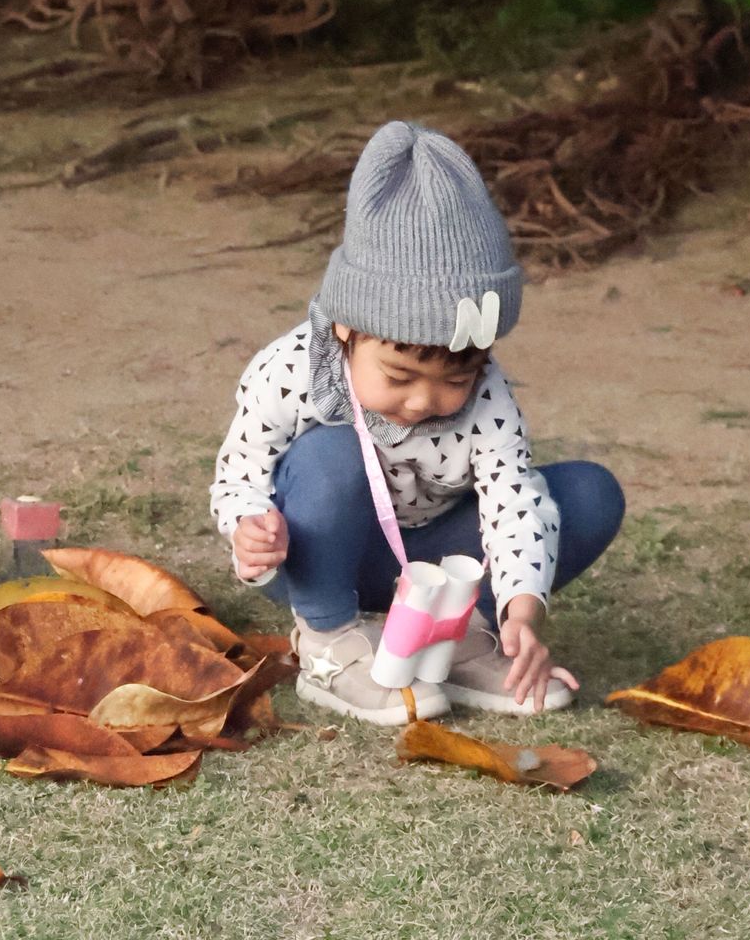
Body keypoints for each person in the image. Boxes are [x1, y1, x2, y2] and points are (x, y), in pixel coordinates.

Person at [210, 121, 624, 725]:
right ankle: (331, 645)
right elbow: (238, 473)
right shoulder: (291, 368)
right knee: (334, 454)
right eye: (400, 377)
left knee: (586, 494)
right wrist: (250, 526)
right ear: (346, 327)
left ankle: (459, 639)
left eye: (455, 381)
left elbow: (512, 501)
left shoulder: (489, 396)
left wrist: (522, 612)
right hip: (325, 560)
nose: (424, 400)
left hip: (433, 567)